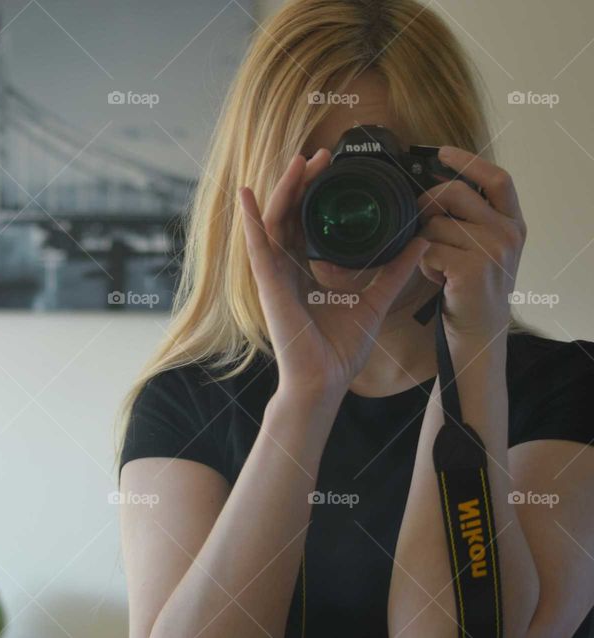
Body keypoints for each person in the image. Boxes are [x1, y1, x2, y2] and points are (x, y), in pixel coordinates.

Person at [116, 1, 594, 636]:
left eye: (388, 171)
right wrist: (308, 393)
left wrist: (474, 350)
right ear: (262, 184)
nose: (356, 205)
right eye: (325, 175)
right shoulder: (185, 405)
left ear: (461, 180)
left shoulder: (568, 389)